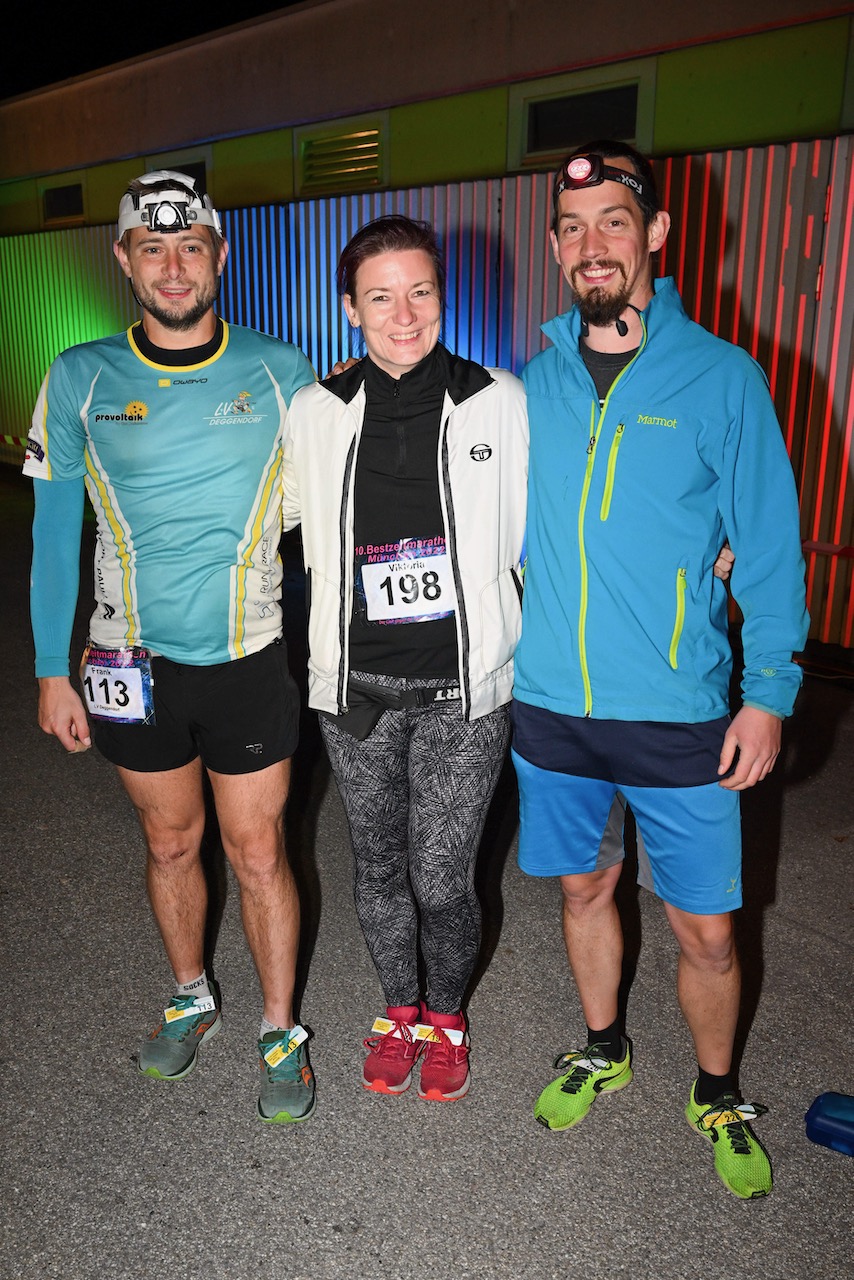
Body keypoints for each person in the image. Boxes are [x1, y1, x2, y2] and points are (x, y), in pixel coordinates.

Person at [511, 141, 809, 1198]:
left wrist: (766, 690)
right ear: (554, 247)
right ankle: (601, 1043)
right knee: (584, 886)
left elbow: (766, 543)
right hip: (549, 703)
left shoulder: (720, 375)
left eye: (612, 222)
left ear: (654, 237)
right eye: (573, 226)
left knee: (705, 929)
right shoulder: (527, 381)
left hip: (678, 707)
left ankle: (716, 1086)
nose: (593, 243)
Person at [23, 170, 318, 1125]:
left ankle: (281, 1030)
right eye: (153, 247)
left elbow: (350, 502)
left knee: (260, 851)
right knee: (169, 839)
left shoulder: (283, 370)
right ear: (124, 260)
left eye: (192, 245)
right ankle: (192, 994)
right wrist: (47, 667)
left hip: (249, 654)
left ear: (219, 255)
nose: (174, 265)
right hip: (127, 661)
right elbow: (52, 534)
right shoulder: (78, 376)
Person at [282, 215, 529, 1101]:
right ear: (350, 308)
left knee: (440, 871)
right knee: (378, 866)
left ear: (441, 296)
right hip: (354, 687)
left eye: (419, 291)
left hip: (464, 688)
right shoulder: (315, 411)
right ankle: (399, 1009)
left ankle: (449, 1011)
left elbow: (554, 522)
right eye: (379, 296)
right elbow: (262, 520)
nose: (402, 313)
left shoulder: (498, 400)